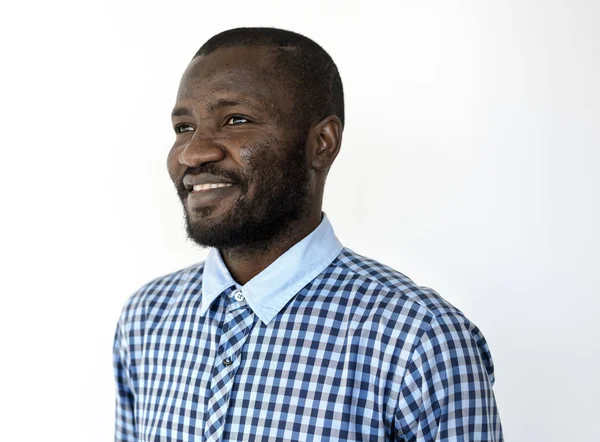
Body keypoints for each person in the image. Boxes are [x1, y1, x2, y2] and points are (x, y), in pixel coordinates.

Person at [113, 27, 503, 441]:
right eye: (184, 127)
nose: (193, 152)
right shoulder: (146, 319)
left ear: (322, 142)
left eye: (236, 120)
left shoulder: (421, 339)